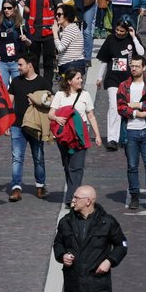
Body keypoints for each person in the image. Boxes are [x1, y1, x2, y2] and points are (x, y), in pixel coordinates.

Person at [52, 185, 127, 292]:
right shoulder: (66, 222)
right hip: (73, 284)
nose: (73, 200)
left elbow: (122, 245)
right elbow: (58, 243)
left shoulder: (107, 222)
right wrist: (62, 256)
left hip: (98, 284)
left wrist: (109, 261)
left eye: (76, 198)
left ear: (88, 201)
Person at [51, 67, 102, 207]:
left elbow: (91, 116)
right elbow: (50, 114)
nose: (81, 80)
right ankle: (73, 193)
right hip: (64, 137)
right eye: (78, 78)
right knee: (67, 166)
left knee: (77, 167)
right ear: (69, 81)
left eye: (81, 78)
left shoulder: (85, 95)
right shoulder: (60, 95)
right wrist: (57, 118)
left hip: (80, 135)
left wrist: (97, 135)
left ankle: (71, 198)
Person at [117, 55, 146, 212]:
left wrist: (137, 104)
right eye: (132, 66)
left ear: (144, 67)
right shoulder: (123, 86)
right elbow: (121, 107)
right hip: (130, 131)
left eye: (137, 66)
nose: (134, 68)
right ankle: (134, 195)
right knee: (132, 166)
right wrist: (138, 114)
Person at [95, 17, 143, 150]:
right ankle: (112, 139)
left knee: (127, 107)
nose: (119, 32)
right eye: (117, 30)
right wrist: (99, 77)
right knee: (113, 106)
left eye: (122, 31)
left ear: (127, 30)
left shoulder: (132, 40)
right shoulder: (110, 39)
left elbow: (141, 53)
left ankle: (127, 136)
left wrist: (134, 37)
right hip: (113, 78)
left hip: (129, 79)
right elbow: (104, 60)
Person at [6, 53, 49, 202]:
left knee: (38, 157)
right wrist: (6, 122)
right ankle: (16, 188)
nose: (18, 67)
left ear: (29, 65)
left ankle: (40, 185)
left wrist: (38, 101)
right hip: (17, 126)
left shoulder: (42, 82)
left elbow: (51, 100)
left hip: (35, 126)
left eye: (20, 64)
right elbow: (9, 103)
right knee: (17, 158)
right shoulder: (16, 82)